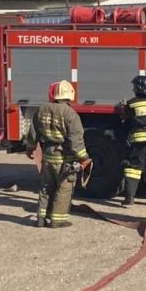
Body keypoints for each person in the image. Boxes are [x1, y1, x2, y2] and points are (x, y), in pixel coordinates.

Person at [24, 80, 91, 228]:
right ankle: (57, 220)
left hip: (47, 156)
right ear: (70, 95)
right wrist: (84, 158)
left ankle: (41, 218)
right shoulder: (70, 114)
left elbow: (32, 134)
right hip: (64, 158)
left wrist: (30, 149)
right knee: (64, 188)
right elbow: (75, 140)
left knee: (46, 186)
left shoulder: (42, 110)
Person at [119, 75, 146, 206]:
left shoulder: (133, 102)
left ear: (138, 88)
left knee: (133, 168)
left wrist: (122, 108)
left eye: (134, 87)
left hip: (139, 140)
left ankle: (129, 198)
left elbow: (126, 118)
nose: (133, 89)